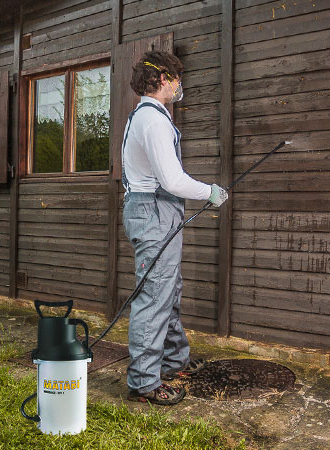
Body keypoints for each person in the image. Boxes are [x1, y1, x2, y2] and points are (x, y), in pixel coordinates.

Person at [120, 51, 228, 405]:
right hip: (154, 209)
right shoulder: (152, 121)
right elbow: (172, 179)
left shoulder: (147, 116)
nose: (180, 85)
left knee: (168, 289)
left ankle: (173, 361)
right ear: (163, 79)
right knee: (154, 296)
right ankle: (144, 383)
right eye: (177, 78)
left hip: (157, 209)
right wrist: (209, 192)